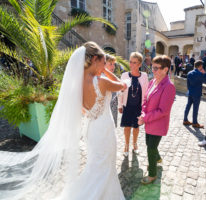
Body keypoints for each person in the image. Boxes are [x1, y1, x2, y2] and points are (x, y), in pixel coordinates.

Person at [0, 42, 126, 199]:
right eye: (102, 62)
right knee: (105, 167)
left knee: (96, 166)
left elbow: (80, 109)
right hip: (104, 130)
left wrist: (101, 69)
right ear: (94, 59)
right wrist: (107, 71)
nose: (104, 66)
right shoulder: (102, 81)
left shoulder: (76, 85)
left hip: (91, 130)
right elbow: (122, 86)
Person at [137, 55, 176, 184]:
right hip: (149, 121)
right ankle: (157, 159)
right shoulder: (153, 81)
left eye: (156, 68)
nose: (152, 70)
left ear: (165, 70)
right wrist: (143, 113)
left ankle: (152, 174)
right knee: (150, 144)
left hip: (158, 124)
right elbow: (145, 100)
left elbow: (163, 111)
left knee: (151, 148)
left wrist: (144, 118)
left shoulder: (169, 87)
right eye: (152, 67)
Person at [118, 52, 149, 156]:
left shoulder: (144, 76)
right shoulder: (124, 75)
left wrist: (146, 108)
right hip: (127, 106)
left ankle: (135, 144)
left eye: (135, 62)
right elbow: (120, 92)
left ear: (140, 64)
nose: (131, 64)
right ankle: (126, 145)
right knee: (127, 127)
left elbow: (146, 93)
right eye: (130, 62)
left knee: (136, 127)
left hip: (138, 107)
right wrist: (120, 105)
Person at [183, 60, 206, 128]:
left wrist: (190, 90)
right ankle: (195, 123)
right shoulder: (200, 74)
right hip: (197, 94)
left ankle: (185, 120)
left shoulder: (189, 73)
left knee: (188, 106)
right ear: (200, 66)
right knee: (195, 108)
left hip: (190, 92)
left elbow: (188, 84)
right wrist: (204, 73)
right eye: (202, 66)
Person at [104, 54, 118, 127]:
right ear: (104, 65)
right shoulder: (102, 78)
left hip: (113, 109)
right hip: (105, 111)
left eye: (114, 64)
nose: (113, 66)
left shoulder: (113, 77)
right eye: (111, 64)